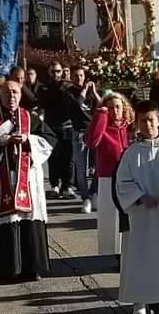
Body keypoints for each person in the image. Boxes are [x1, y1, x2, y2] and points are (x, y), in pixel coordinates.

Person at [0, 79, 56, 282]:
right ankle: (6, 269)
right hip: (1, 181)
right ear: (0, 95)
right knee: (5, 220)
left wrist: (29, 140)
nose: (11, 97)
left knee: (27, 218)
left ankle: (31, 267)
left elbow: (50, 140)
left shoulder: (31, 119)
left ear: (21, 95)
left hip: (27, 179)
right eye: (7, 93)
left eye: (15, 93)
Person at [115, 100, 159, 314]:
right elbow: (122, 182)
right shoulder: (131, 153)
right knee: (151, 261)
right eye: (143, 121)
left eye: (151, 120)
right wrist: (141, 197)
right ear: (137, 123)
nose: (148, 125)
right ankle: (155, 305)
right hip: (146, 217)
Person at [86, 92, 133, 255]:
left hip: (129, 176)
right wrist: (101, 113)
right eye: (111, 108)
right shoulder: (102, 126)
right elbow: (92, 141)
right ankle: (113, 252)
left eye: (118, 107)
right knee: (110, 217)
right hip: (108, 175)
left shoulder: (130, 126)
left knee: (128, 215)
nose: (115, 111)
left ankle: (128, 250)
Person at [40, 61, 83, 200]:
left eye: (58, 71)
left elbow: (78, 100)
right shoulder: (44, 88)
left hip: (68, 127)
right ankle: (54, 185)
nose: (56, 75)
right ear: (49, 72)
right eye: (53, 71)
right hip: (51, 128)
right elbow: (42, 102)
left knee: (69, 159)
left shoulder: (68, 87)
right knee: (53, 158)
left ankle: (67, 186)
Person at [69, 64, 99, 213]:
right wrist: (84, 90)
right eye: (76, 76)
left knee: (98, 167)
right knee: (81, 170)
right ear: (71, 78)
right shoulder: (69, 93)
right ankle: (85, 198)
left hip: (93, 132)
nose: (79, 78)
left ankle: (94, 193)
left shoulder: (91, 93)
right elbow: (78, 104)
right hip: (79, 133)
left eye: (81, 75)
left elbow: (101, 106)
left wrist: (93, 92)